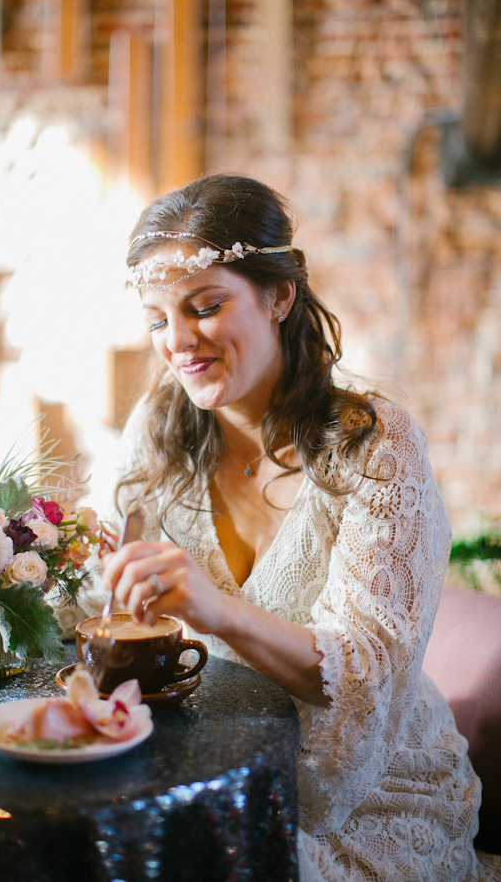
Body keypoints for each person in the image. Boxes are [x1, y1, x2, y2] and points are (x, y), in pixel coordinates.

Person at [99, 174, 498, 881]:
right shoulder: (155, 436)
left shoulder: (375, 448)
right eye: (158, 319)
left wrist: (213, 608)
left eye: (206, 306)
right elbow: (102, 607)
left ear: (280, 295)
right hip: (205, 769)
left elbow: (368, 671)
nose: (178, 342)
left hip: (372, 798)